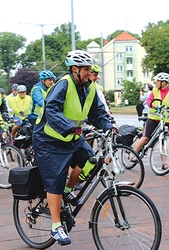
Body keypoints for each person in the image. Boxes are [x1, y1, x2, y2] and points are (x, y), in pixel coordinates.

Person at [32, 50, 115, 245]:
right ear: (75, 69)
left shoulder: (90, 88)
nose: (89, 72)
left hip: (73, 136)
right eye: (86, 69)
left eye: (90, 69)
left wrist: (109, 125)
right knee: (55, 178)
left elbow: (98, 113)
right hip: (49, 138)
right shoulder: (63, 84)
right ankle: (56, 226)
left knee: (90, 161)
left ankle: (68, 190)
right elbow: (51, 109)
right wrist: (70, 127)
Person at [132, 72, 169, 169]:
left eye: (157, 81)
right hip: (153, 119)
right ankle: (133, 154)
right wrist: (153, 105)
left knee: (163, 141)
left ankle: (164, 163)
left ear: (163, 82)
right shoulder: (155, 91)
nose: (156, 82)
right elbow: (149, 101)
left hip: (165, 120)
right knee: (145, 137)